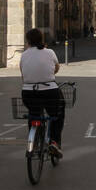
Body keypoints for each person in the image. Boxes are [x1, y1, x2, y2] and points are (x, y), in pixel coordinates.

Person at [19, 27, 65, 159]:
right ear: (41, 39)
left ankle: (34, 142)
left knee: (33, 114)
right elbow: (56, 68)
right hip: (49, 91)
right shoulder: (50, 52)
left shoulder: (24, 55)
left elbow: (23, 75)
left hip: (28, 93)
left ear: (28, 41)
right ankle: (54, 142)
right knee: (57, 113)